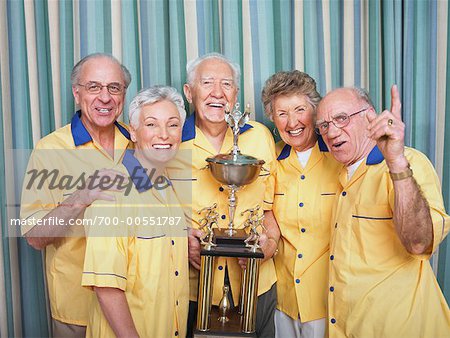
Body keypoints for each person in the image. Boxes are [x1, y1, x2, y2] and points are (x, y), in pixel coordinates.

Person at [316, 85, 450, 337]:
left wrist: (396, 162)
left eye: (342, 118)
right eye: (323, 125)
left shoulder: (409, 164)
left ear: (371, 117)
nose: (332, 131)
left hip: (399, 327)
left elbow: (419, 243)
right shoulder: (337, 173)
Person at [20, 53, 132, 337]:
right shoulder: (49, 149)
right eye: (94, 87)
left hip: (133, 305)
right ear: (76, 92)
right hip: (78, 310)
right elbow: (34, 236)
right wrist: (81, 198)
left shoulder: (138, 141)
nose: (105, 97)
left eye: (114, 88)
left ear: (123, 94)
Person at [179, 53, 280, 337]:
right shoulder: (170, 140)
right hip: (193, 288)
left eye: (226, 84)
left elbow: (270, 209)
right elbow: (148, 209)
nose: (217, 92)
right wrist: (178, 235)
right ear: (189, 92)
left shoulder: (260, 137)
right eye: (207, 82)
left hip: (255, 284)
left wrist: (269, 245)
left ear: (235, 95)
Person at [81, 86, 189, 337]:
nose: (164, 135)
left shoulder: (166, 188)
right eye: (151, 125)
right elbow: (106, 287)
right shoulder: (112, 193)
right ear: (134, 132)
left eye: (173, 125)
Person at [261, 70, 341, 338]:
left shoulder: (341, 156)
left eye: (299, 109)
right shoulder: (269, 159)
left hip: (329, 300)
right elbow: (261, 210)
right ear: (272, 118)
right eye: (282, 113)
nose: (292, 121)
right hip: (284, 301)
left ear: (315, 112)